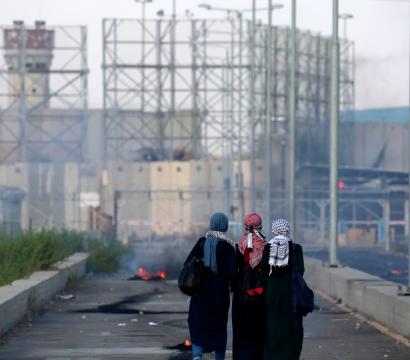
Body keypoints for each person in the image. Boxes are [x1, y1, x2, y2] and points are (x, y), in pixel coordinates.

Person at [186, 212, 236, 360]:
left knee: (197, 323)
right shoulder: (227, 247)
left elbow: (187, 264)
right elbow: (232, 273)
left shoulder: (201, 243)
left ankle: (197, 355)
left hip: (200, 293)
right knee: (219, 327)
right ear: (225, 226)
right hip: (219, 295)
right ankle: (219, 357)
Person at [262, 219, 305, 360]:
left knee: (272, 323)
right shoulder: (296, 248)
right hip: (290, 291)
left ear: (274, 230)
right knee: (290, 324)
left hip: (272, 291)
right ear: (287, 230)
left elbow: (263, 270)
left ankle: (272, 355)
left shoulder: (268, 246)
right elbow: (301, 270)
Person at [232, 213, 267, 360]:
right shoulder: (266, 246)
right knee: (259, 332)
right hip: (261, 296)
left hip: (242, 296)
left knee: (241, 332)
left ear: (245, 227)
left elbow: (234, 272)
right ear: (260, 227)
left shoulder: (239, 245)